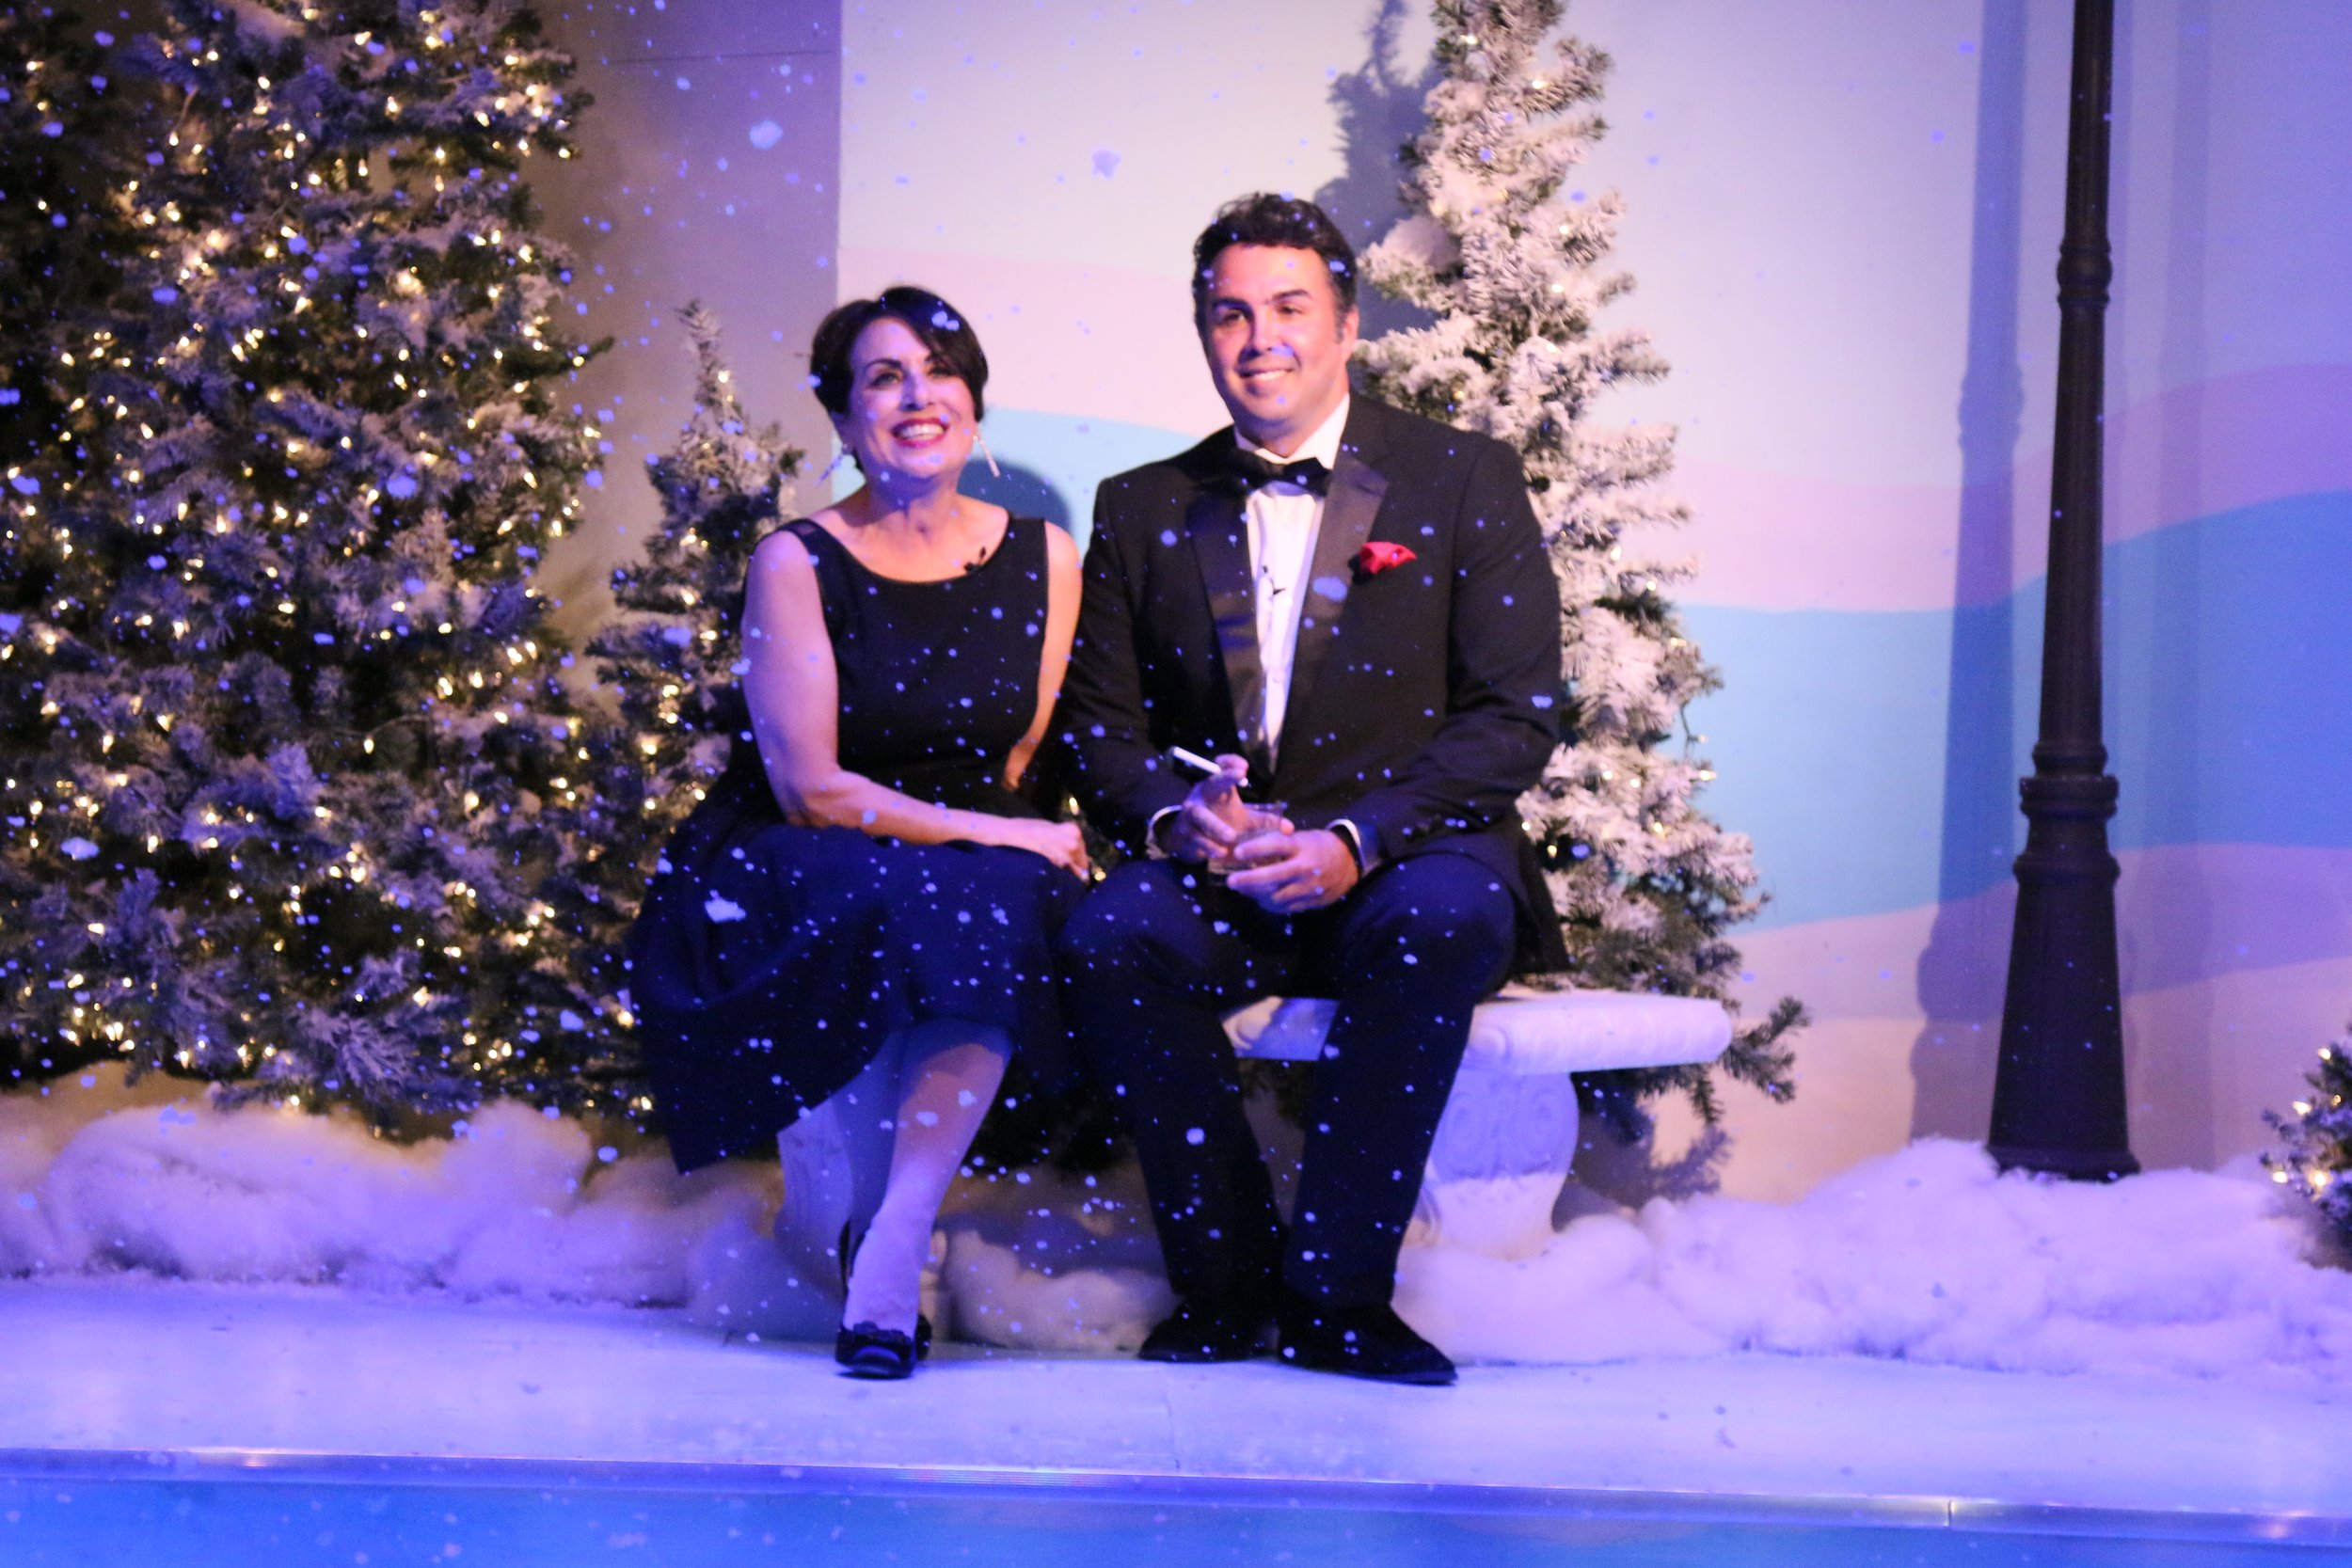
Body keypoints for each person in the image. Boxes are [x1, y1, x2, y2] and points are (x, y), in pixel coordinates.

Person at [1053, 194, 1566, 1386]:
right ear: (1203, 332)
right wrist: (1179, 819)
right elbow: (1099, 729)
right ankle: (1226, 1282)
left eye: (1288, 307)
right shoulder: (1141, 503)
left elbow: (1513, 714)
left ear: (1345, 325)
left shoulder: (1463, 476)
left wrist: (1356, 836)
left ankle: (1337, 1296)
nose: (1258, 338)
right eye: (1229, 314)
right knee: (1109, 934)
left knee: (1441, 918)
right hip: (1226, 869)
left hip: (1408, 857)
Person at [628, 286, 1087, 1380]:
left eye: (939, 370)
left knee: (985, 900)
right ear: (842, 418)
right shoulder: (796, 559)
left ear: (973, 402)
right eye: (885, 378)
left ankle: (892, 1233)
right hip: (816, 834)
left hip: (976, 837)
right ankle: (885, 1247)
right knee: (916, 893)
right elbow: (812, 787)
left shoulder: (1048, 556)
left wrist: (1002, 835)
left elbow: (1020, 754)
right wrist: (985, 833)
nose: (918, 396)